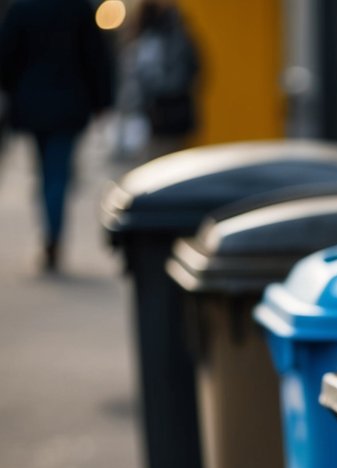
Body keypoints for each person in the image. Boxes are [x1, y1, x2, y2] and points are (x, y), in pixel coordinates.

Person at [0, 0, 115, 272]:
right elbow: (95, 56)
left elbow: (5, 57)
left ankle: (50, 232)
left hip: (32, 104)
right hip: (69, 104)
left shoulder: (22, 8)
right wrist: (102, 101)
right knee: (57, 172)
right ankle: (54, 234)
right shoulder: (77, 8)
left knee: (47, 171)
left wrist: (14, 90)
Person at [130, 0, 199, 160]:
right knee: (177, 160)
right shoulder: (183, 35)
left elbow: (139, 80)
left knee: (158, 163)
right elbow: (196, 69)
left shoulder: (146, 40)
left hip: (158, 112)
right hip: (178, 111)